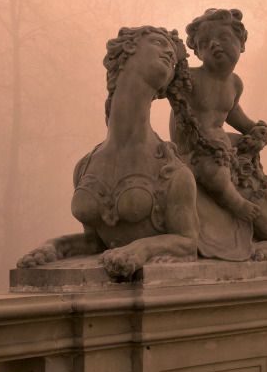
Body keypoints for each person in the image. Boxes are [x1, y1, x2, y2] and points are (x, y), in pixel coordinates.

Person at [17, 26, 199, 279]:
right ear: (127, 50)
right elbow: (97, 242)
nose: (169, 51)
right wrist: (55, 245)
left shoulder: (172, 172)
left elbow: (188, 243)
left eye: (171, 49)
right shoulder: (85, 166)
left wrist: (142, 248)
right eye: (159, 42)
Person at [169, 8, 266, 224]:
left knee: (246, 144)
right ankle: (234, 202)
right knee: (213, 166)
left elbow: (231, 111)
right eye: (204, 43)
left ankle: (253, 189)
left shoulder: (235, 83)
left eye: (223, 38)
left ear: (241, 44)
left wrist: (251, 128)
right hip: (192, 145)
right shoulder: (191, 78)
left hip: (218, 140)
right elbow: (168, 88)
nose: (213, 44)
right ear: (197, 53)